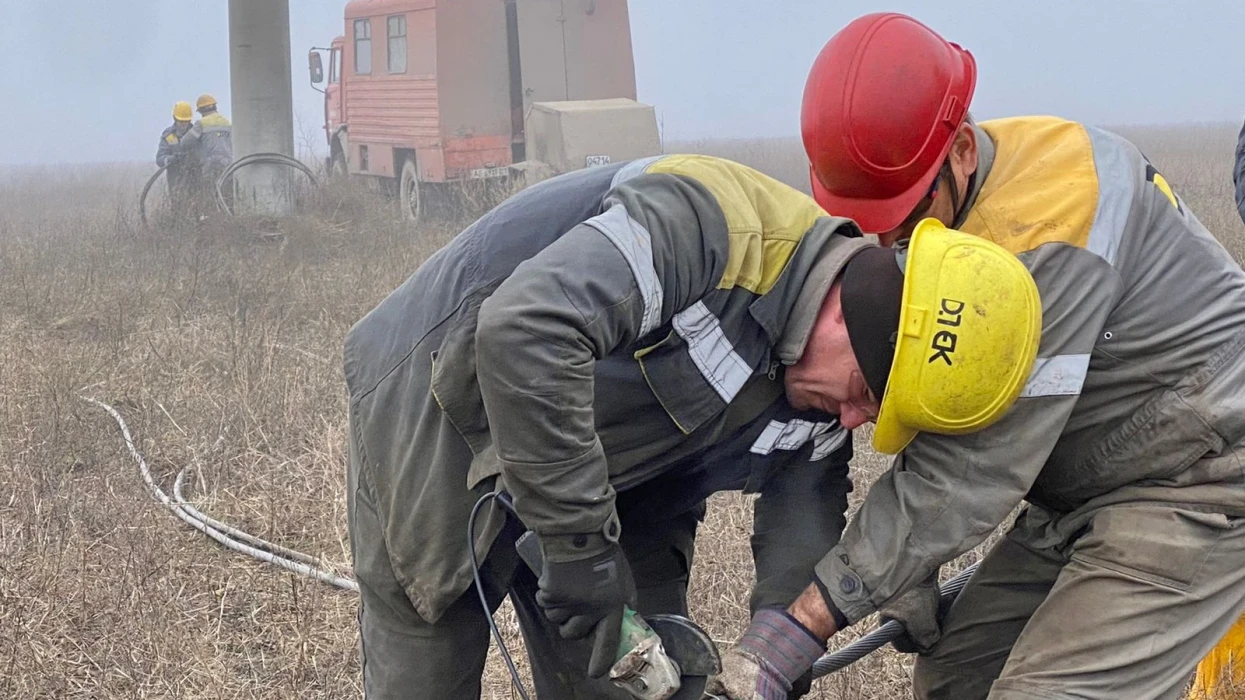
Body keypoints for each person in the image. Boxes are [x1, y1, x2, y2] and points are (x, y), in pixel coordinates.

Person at [340, 153, 1038, 699]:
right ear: (839, 313)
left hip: (622, 468)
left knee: (638, 682)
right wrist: (580, 548)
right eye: (861, 394)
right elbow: (527, 331)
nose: (854, 421)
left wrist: (778, 637)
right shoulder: (706, 225)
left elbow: (805, 500)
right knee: (427, 669)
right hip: (443, 406)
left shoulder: (829, 375)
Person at [706, 12, 1245, 700]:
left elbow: (972, 464)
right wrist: (908, 577)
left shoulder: (1044, 237)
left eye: (901, 219)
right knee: (959, 672)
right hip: (1082, 490)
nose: (888, 249)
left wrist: (804, 624)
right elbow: (949, 408)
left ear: (960, 149)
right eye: (871, 227)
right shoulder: (949, 218)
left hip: (1195, 484)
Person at [178, 93, 233, 207]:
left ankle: (212, 220)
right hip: (229, 165)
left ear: (201, 111)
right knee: (227, 197)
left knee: (211, 198)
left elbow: (184, 143)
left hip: (211, 166)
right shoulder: (227, 123)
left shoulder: (201, 123)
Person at [156, 101, 195, 203]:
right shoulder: (168, 136)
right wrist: (170, 159)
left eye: (186, 121)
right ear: (175, 119)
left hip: (196, 182)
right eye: (181, 121)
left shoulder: (196, 133)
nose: (183, 124)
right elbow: (159, 159)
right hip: (176, 184)